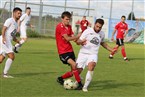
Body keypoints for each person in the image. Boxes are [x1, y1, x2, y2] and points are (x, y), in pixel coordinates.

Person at [76, 19, 115, 92]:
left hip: (93, 54)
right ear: (94, 24)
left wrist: (111, 49)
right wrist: (81, 42)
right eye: (97, 26)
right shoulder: (87, 31)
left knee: (91, 66)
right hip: (83, 53)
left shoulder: (102, 34)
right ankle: (77, 80)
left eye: (100, 27)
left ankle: (85, 87)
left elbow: (103, 43)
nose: (98, 29)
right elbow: (78, 41)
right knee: (78, 71)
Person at [55, 11, 84, 90]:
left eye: (69, 19)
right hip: (63, 52)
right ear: (62, 19)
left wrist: (81, 42)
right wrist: (77, 36)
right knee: (74, 65)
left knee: (73, 72)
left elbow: (73, 37)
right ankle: (80, 84)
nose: (68, 21)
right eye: (66, 19)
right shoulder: (60, 27)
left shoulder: (69, 27)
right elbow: (67, 38)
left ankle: (60, 78)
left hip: (70, 50)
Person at [0, 7, 22, 78]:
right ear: (14, 13)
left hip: (7, 41)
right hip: (5, 40)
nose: (19, 15)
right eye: (18, 13)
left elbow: (12, 36)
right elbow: (3, 29)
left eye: (20, 14)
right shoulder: (9, 20)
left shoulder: (16, 24)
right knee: (12, 56)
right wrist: (3, 38)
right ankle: (5, 74)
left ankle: (5, 74)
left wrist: (18, 41)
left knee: (1, 59)